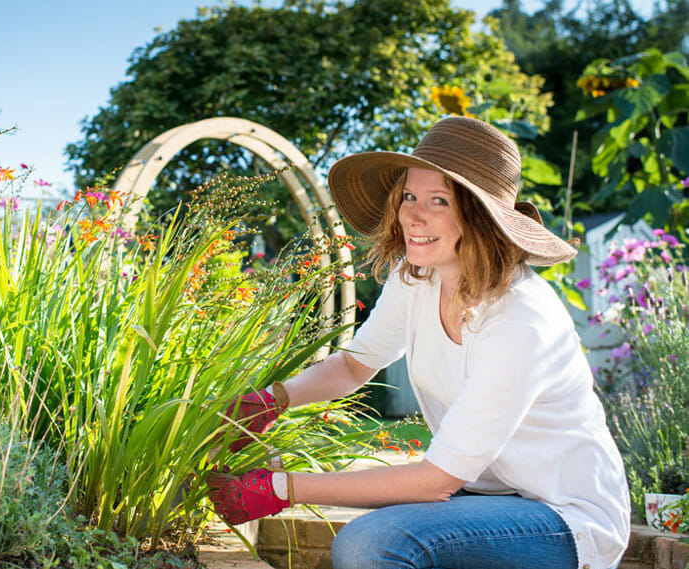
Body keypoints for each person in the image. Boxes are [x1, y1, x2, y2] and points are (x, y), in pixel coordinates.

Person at [207, 116, 630, 569]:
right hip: (484, 495)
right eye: (409, 195)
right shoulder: (419, 278)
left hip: (563, 516)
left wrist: (279, 488)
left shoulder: (520, 320)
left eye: (438, 201)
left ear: (480, 216)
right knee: (371, 541)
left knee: (372, 545)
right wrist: (271, 400)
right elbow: (354, 366)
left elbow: (435, 482)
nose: (412, 214)